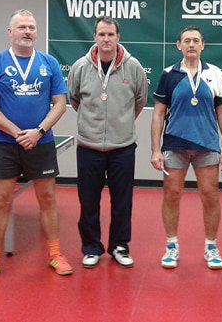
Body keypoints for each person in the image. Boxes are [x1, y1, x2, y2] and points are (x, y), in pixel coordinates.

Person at [0, 9, 72, 283]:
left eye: (31, 27)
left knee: (48, 199)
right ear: (10, 32)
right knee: (1, 200)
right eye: (22, 27)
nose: (27, 31)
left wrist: (38, 132)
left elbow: (60, 104)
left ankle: (55, 254)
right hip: (5, 143)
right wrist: (18, 133)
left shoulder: (49, 62)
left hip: (41, 142)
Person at [68, 16, 148, 268]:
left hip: (122, 147)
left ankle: (119, 246)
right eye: (101, 34)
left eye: (110, 34)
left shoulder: (133, 66)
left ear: (118, 37)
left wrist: (120, 124)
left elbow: (139, 100)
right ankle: (91, 247)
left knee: (122, 201)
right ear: (94, 37)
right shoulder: (80, 67)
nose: (106, 39)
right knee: (88, 201)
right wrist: (93, 125)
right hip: (88, 147)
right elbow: (74, 99)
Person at [150, 26, 222, 270]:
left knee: (210, 195)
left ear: (203, 45)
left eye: (196, 40)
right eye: (187, 40)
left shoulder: (214, 73)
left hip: (207, 145)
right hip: (175, 145)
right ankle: (171, 245)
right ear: (179, 45)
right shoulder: (168, 74)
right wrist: (155, 150)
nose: (191, 44)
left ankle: (211, 246)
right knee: (172, 195)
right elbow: (158, 114)